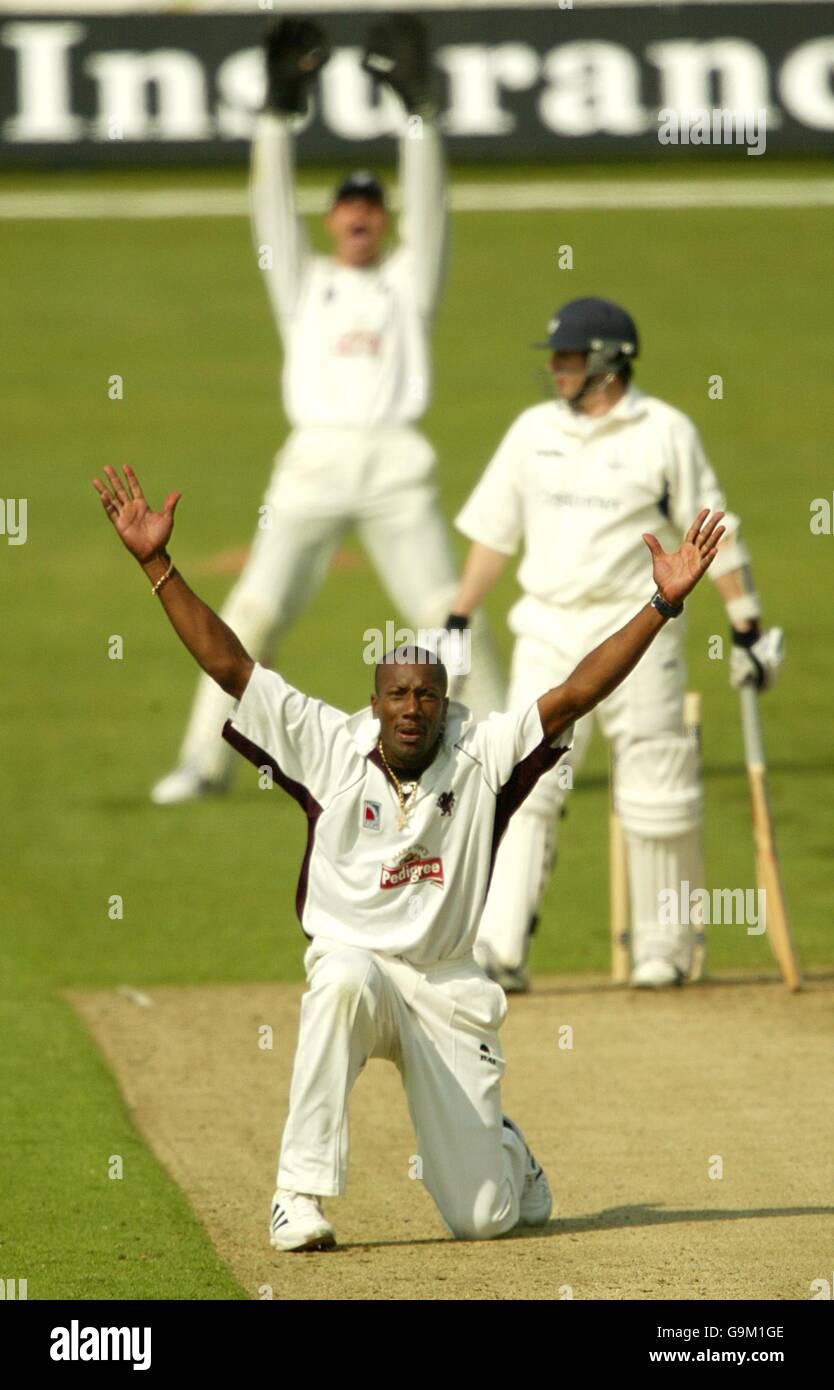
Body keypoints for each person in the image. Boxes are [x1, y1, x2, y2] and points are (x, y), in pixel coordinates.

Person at [93, 461, 724, 1250]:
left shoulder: (486, 752)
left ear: (446, 702)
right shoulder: (327, 742)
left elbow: (573, 694)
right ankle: (299, 1194)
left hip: (445, 987)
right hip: (357, 965)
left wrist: (663, 604)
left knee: (485, 1219)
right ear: (374, 700)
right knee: (342, 979)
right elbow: (230, 666)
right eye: (397, 694)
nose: (412, 710)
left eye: (427, 696)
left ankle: (505, 1150)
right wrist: (157, 564)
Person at [152, 15, 501, 805]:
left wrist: (420, 117)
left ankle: (503, 756)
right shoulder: (303, 284)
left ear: (383, 219)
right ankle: (202, 765)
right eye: (347, 207)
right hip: (311, 462)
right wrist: (276, 120)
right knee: (254, 613)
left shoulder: (409, 284)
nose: (358, 217)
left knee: (451, 617)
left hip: (394, 466)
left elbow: (434, 210)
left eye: (372, 208)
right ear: (331, 219)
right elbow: (266, 211)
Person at [451, 296, 784, 992]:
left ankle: (662, 948)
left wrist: (746, 624)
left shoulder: (665, 431)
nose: (556, 370)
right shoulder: (531, 431)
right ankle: (498, 949)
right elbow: (492, 535)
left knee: (656, 786)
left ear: (608, 362)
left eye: (568, 358)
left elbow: (710, 536)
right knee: (522, 782)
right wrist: (457, 617)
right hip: (547, 627)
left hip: (643, 626)